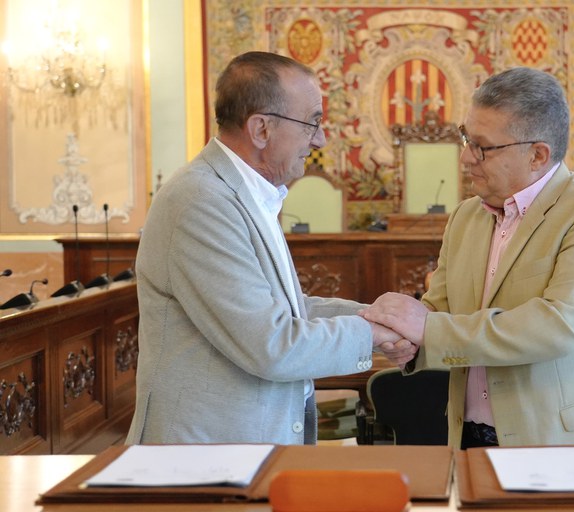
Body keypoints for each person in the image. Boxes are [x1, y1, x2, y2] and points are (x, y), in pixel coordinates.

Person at [126, 51, 413, 446]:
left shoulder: (244, 194)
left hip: (238, 450)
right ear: (261, 129)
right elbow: (271, 344)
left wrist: (378, 316)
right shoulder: (200, 201)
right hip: (204, 457)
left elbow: (286, 310)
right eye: (311, 123)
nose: (320, 139)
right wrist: (373, 333)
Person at [362, 66, 574, 449]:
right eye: (465, 138)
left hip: (561, 441)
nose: (465, 157)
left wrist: (427, 331)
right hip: (467, 435)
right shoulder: (465, 217)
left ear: (537, 155)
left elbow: (558, 326)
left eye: (482, 147)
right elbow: (439, 311)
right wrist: (404, 341)